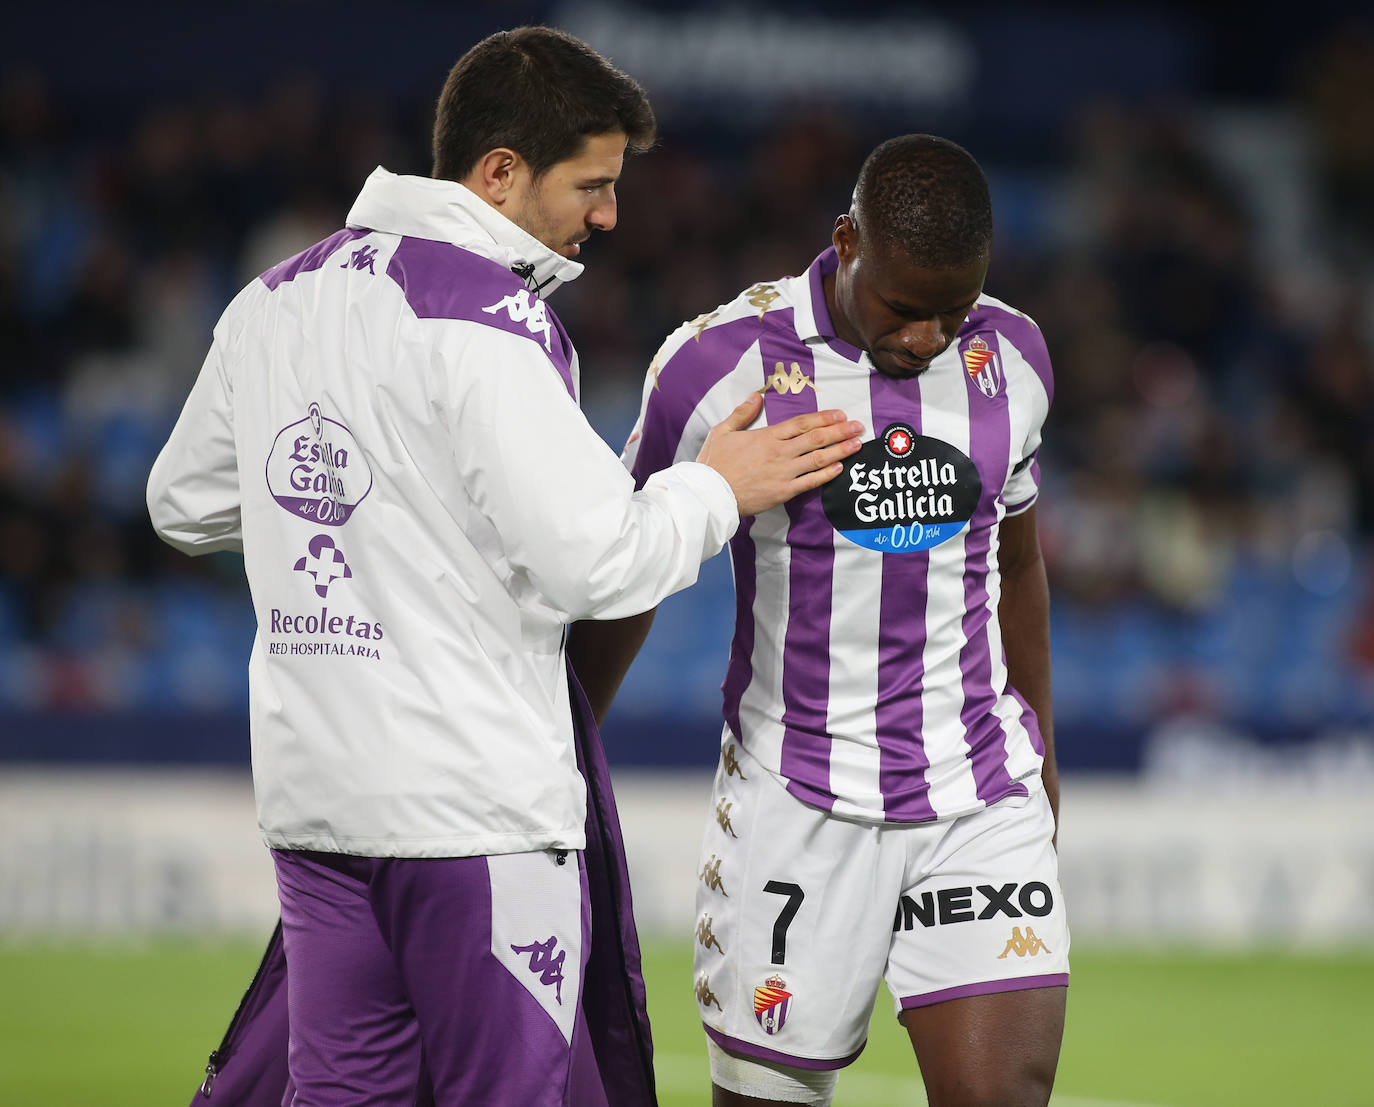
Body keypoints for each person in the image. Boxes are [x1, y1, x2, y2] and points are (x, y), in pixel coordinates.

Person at [146, 26, 862, 1107]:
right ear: (499, 174)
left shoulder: (275, 298)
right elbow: (599, 563)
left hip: (318, 804)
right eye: (594, 182)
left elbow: (183, 502)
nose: (610, 215)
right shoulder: (488, 314)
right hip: (473, 812)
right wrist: (720, 483)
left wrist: (366, 517)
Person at [567, 133, 1067, 1107]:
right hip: (795, 803)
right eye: (903, 309)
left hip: (977, 794)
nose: (928, 338)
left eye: (950, 312)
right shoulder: (717, 367)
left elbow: (1017, 563)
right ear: (846, 242)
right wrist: (564, 759)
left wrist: (1041, 768)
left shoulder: (1013, 356)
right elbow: (627, 570)